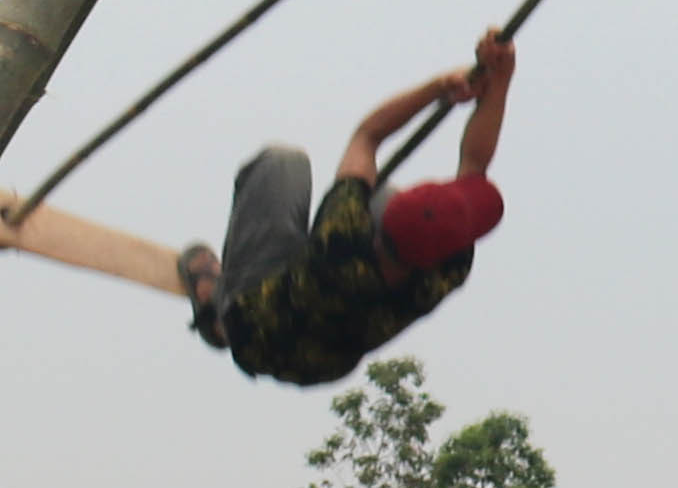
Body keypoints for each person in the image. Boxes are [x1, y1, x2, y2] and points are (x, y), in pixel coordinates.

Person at [183, 29, 511, 385]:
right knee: (378, 194)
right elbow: (475, 165)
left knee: (283, 162)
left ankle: (217, 309)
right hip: (323, 361)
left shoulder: (342, 237)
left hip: (255, 327)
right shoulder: (446, 269)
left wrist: (439, 87)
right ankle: (271, 272)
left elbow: (368, 136)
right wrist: (500, 77)